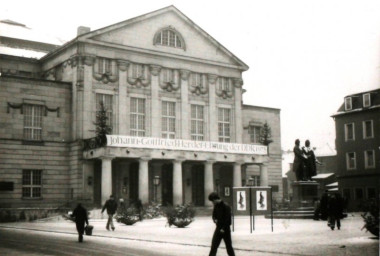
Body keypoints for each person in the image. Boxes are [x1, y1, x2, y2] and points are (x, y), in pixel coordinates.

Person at [208, 192, 235, 256]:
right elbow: (214, 215)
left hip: (225, 229)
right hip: (218, 228)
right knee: (214, 245)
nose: (212, 202)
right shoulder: (216, 206)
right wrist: (214, 219)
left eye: (212, 201)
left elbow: (228, 219)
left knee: (228, 246)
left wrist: (223, 228)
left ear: (215, 199)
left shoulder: (226, 206)